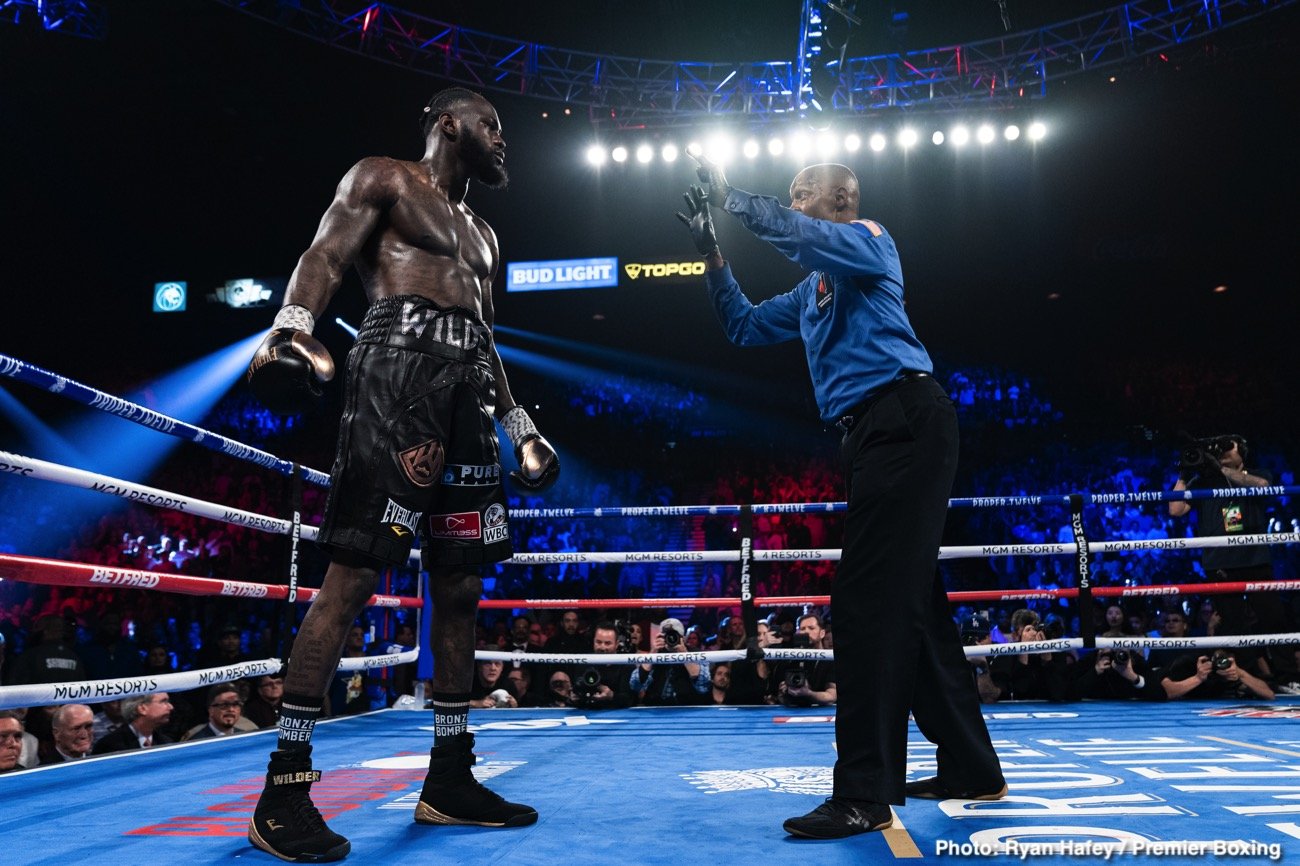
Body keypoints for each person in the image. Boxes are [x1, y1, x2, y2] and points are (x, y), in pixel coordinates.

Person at [242, 87, 556, 861]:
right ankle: (282, 791)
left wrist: (518, 426)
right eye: (491, 125)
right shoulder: (383, 176)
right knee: (351, 577)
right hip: (395, 377)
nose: (503, 138)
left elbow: (485, 338)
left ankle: (448, 778)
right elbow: (326, 252)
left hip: (467, 396)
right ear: (449, 124)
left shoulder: (484, 233)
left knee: (459, 584)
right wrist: (292, 327)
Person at [678, 157, 1004, 839]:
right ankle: (973, 766)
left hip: (905, 418)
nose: (794, 204)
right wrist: (712, 250)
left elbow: (799, 235)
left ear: (840, 202)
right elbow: (742, 325)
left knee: (863, 605)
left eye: (803, 195)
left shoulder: (870, 241)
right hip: (871, 438)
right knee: (916, 607)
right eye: (792, 195)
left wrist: (736, 199)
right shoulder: (813, 290)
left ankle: (863, 791)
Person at [1168, 435, 1281, 634]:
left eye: (1229, 446)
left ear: (1243, 453)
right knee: (1231, 624)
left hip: (1255, 559)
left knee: (1271, 618)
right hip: (1220, 562)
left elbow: (1262, 486)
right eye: (1221, 448)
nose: (1223, 450)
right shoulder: (1203, 482)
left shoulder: (1257, 474)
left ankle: (1284, 665)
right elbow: (1176, 510)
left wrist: (1221, 469)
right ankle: (1240, 664)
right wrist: (1183, 476)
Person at [629, 618, 710, 706]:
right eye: (666, 635)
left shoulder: (695, 653)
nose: (671, 638)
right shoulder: (655, 653)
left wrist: (685, 655)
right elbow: (635, 685)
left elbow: (704, 685)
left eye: (674, 634)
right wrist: (652, 653)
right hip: (655, 707)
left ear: (682, 637)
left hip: (686, 707)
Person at [92, 693, 174, 753]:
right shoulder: (109, 746)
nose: (171, 707)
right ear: (142, 708)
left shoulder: (166, 742)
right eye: (164, 702)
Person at [183, 682, 257, 740]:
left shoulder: (245, 738)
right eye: (224, 705)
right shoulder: (196, 742)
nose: (231, 709)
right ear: (211, 710)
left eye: (235, 704)